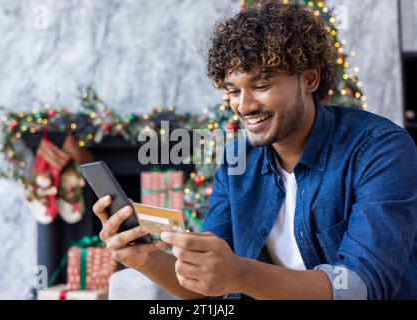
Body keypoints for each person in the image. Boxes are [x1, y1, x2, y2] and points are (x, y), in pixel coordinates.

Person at [93, 3, 417, 299]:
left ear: (310, 78)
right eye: (233, 91)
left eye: (261, 86)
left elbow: (361, 287)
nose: (244, 106)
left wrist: (240, 274)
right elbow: (208, 288)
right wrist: (142, 258)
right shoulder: (236, 162)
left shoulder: (380, 149)